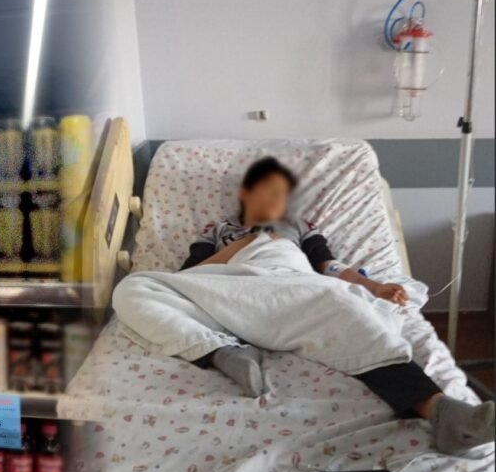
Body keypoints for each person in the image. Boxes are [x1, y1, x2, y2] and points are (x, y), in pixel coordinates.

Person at [112, 156, 494, 456]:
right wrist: (244, 246)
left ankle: (441, 412)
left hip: (293, 283)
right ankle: (222, 352)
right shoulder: (218, 229)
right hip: (229, 288)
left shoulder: (298, 225)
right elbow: (189, 275)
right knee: (133, 287)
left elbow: (330, 266)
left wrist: (374, 286)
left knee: (349, 310)